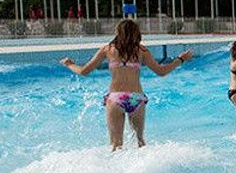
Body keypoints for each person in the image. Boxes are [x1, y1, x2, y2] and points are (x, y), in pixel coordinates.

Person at [60, 18, 193, 150]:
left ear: (117, 32)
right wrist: (180, 59)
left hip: (115, 99)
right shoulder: (142, 50)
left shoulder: (107, 50)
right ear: (136, 33)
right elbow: (161, 71)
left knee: (116, 146)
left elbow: (84, 71)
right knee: (141, 143)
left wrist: (70, 64)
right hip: (137, 98)